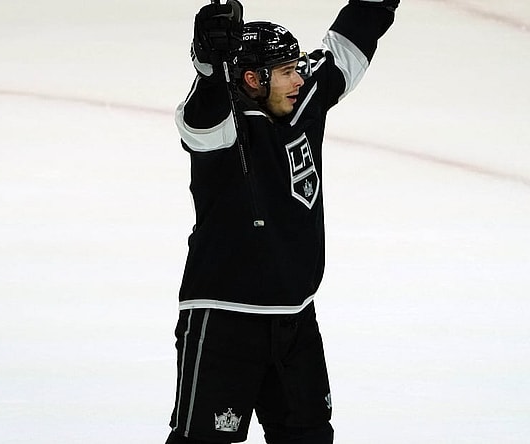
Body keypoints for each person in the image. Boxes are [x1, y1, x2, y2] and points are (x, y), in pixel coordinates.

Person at [167, 1, 399, 443]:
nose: (300, 78)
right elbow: (200, 117)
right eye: (288, 70)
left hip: (295, 319)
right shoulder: (227, 126)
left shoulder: (301, 97)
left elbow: (347, 48)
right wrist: (209, 66)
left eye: (297, 67)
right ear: (252, 80)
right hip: (224, 322)